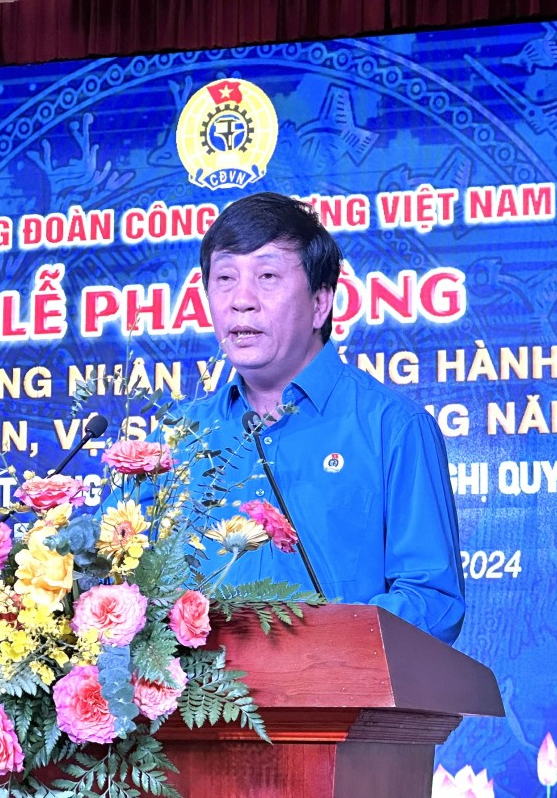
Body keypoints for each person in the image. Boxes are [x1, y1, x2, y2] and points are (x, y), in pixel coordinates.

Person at [185, 191, 465, 644]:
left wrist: (322, 649)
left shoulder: (391, 428)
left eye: (267, 276)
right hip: (202, 691)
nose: (241, 300)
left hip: (343, 686)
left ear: (320, 303)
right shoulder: (178, 439)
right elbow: (123, 582)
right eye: (225, 278)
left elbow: (431, 599)